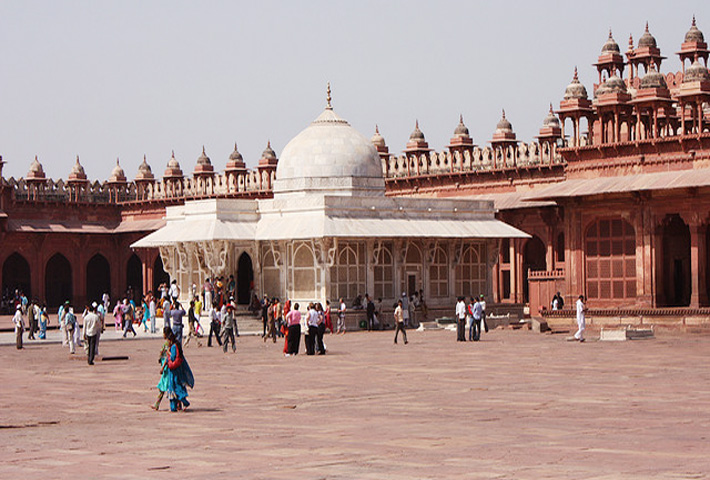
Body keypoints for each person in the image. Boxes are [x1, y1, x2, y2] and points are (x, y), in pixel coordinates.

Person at [165, 329, 195, 412]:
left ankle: (183, 402)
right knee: (174, 388)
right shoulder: (176, 346)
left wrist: (168, 353)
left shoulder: (174, 347)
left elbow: (172, 358)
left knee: (175, 387)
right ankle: (173, 407)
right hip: (175, 370)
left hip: (174, 371)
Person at [151, 327, 172, 410]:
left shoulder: (167, 344)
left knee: (164, 386)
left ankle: (157, 404)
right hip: (167, 366)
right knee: (168, 386)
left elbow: (167, 356)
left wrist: (163, 367)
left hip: (166, 367)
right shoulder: (170, 343)